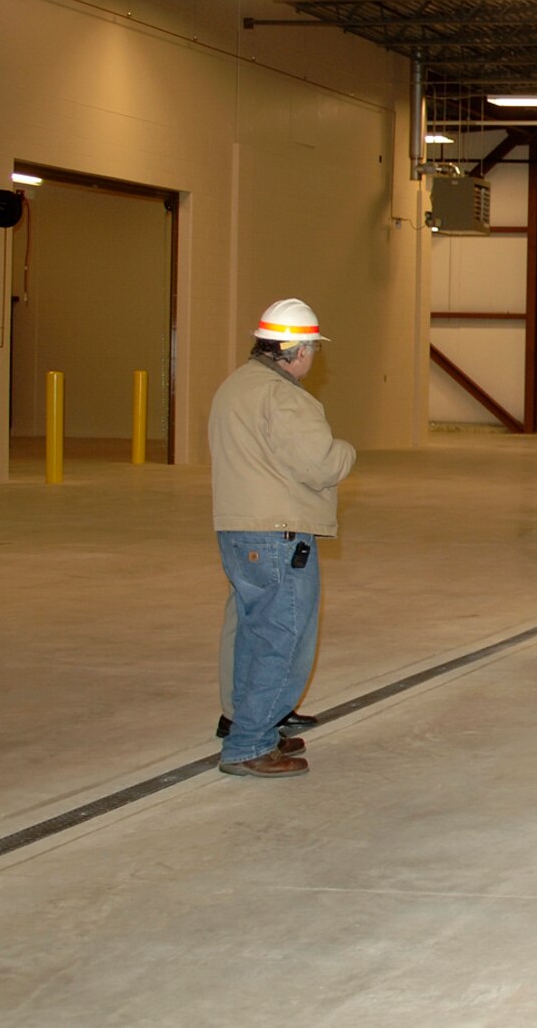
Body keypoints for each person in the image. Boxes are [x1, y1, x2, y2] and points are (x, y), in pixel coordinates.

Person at [208, 298, 356, 778]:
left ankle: (252, 728)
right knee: (282, 639)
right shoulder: (287, 398)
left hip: (238, 529)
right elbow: (321, 465)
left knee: (251, 633)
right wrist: (347, 453)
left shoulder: (235, 386)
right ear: (294, 350)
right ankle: (248, 746)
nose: (313, 357)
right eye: (311, 348)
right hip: (278, 536)